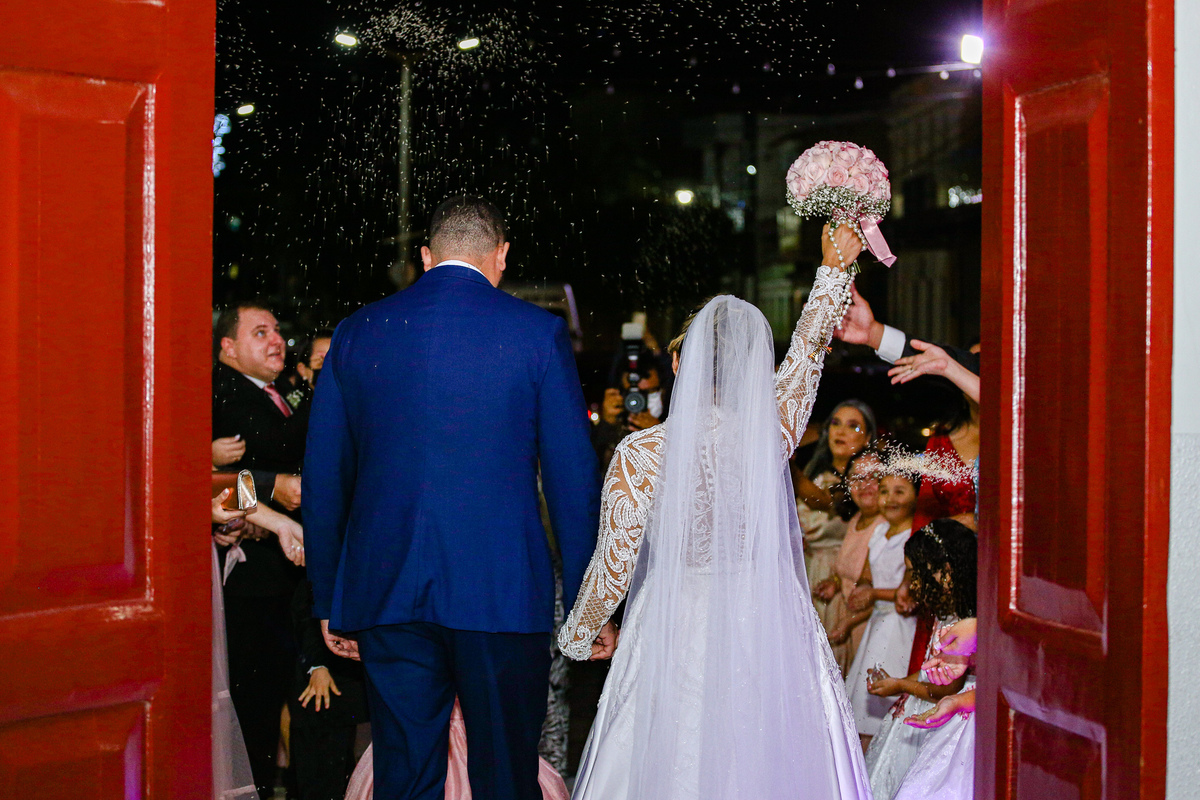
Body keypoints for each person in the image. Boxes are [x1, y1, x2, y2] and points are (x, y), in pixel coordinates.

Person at [558, 223, 871, 800]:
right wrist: (833, 269)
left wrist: (582, 633)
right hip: (766, 620)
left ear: (682, 362)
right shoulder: (772, 435)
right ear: (755, 367)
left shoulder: (643, 453)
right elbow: (807, 353)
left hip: (675, 624)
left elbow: (613, 566)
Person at [303, 196, 599, 800]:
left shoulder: (358, 331)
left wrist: (330, 597)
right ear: (501, 255)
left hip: (387, 590)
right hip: (500, 592)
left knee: (405, 776)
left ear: (425, 256)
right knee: (503, 775)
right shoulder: (536, 333)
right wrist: (589, 605)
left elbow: (325, 476)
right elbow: (572, 480)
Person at [212, 302, 310, 798]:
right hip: (248, 579)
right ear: (227, 347)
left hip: (279, 562)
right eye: (260, 332)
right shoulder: (219, 392)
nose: (276, 340)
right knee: (253, 702)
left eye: (277, 330)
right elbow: (210, 482)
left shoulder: (281, 389)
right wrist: (276, 493)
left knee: (279, 696)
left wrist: (275, 521)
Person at [862, 519, 976, 800]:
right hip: (930, 698)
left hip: (952, 713)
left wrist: (901, 685)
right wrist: (898, 681)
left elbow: (947, 688)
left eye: (916, 573)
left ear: (946, 572)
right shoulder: (947, 609)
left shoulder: (963, 624)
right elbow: (928, 671)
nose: (913, 583)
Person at [797, 401, 876, 672]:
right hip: (804, 570)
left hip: (837, 577)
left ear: (867, 438)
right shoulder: (815, 474)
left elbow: (824, 502)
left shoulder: (862, 485)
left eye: (853, 426)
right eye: (835, 423)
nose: (841, 431)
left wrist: (785, 461)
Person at [844, 472, 919, 750]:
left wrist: (874, 593)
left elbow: (908, 591)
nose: (890, 499)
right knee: (862, 703)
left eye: (900, 491)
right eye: (885, 491)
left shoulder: (914, 536)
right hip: (877, 622)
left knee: (883, 704)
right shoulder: (879, 531)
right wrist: (863, 589)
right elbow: (868, 575)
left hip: (899, 623)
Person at [815, 447, 888, 671]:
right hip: (848, 628)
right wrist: (835, 583)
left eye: (873, 477)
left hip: (872, 628)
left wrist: (848, 622)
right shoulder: (856, 519)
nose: (864, 484)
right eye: (856, 478)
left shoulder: (887, 526)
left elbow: (885, 591)